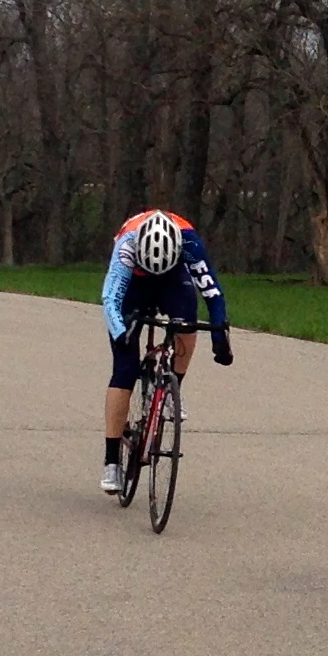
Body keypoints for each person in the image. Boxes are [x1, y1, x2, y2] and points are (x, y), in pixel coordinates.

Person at [99, 208, 233, 493]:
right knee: (124, 371)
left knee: (187, 323)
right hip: (133, 283)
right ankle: (111, 462)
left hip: (173, 276)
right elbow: (110, 297)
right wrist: (122, 334)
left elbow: (212, 291)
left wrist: (220, 334)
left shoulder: (189, 241)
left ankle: (173, 390)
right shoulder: (127, 244)